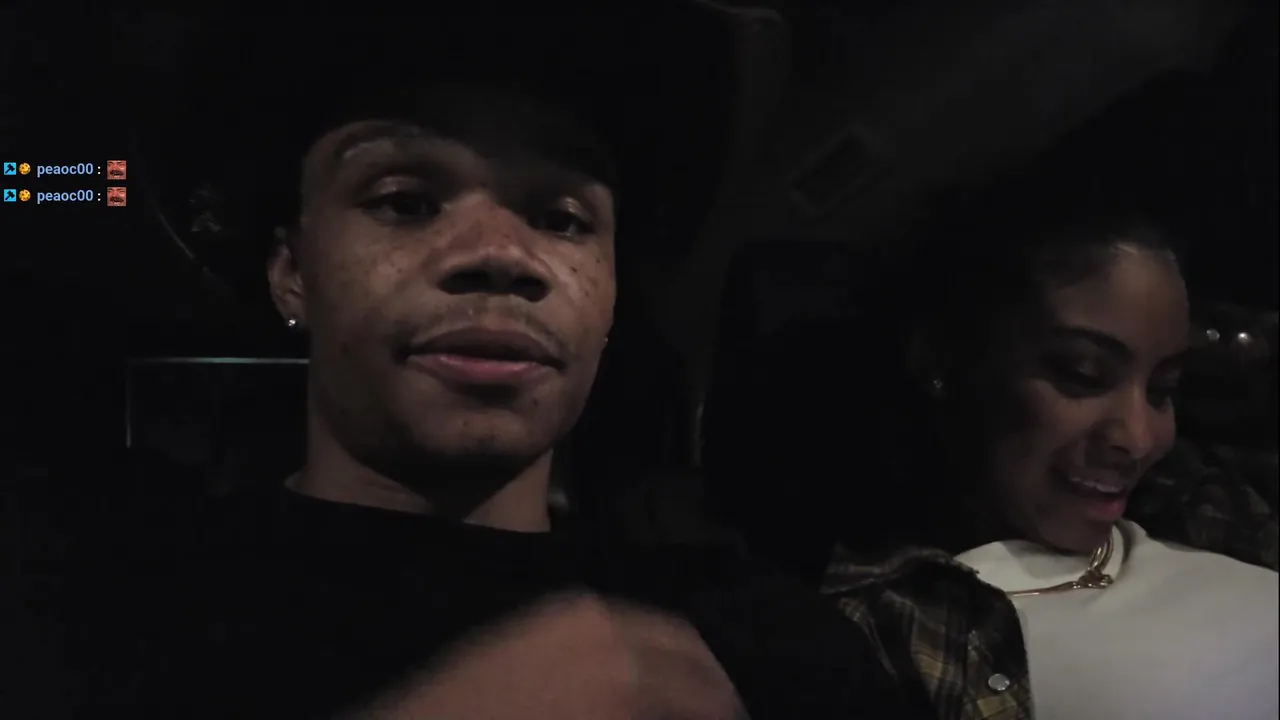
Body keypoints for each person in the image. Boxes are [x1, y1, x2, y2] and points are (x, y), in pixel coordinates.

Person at [14, 6, 916, 720]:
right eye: (404, 201)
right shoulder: (90, 601)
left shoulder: (763, 637)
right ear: (292, 271)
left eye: (562, 219)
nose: (502, 255)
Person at [821, 162, 1279, 719]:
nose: (1138, 439)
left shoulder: (1196, 501)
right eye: (1081, 373)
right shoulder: (888, 626)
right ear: (943, 359)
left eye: (1163, 389)